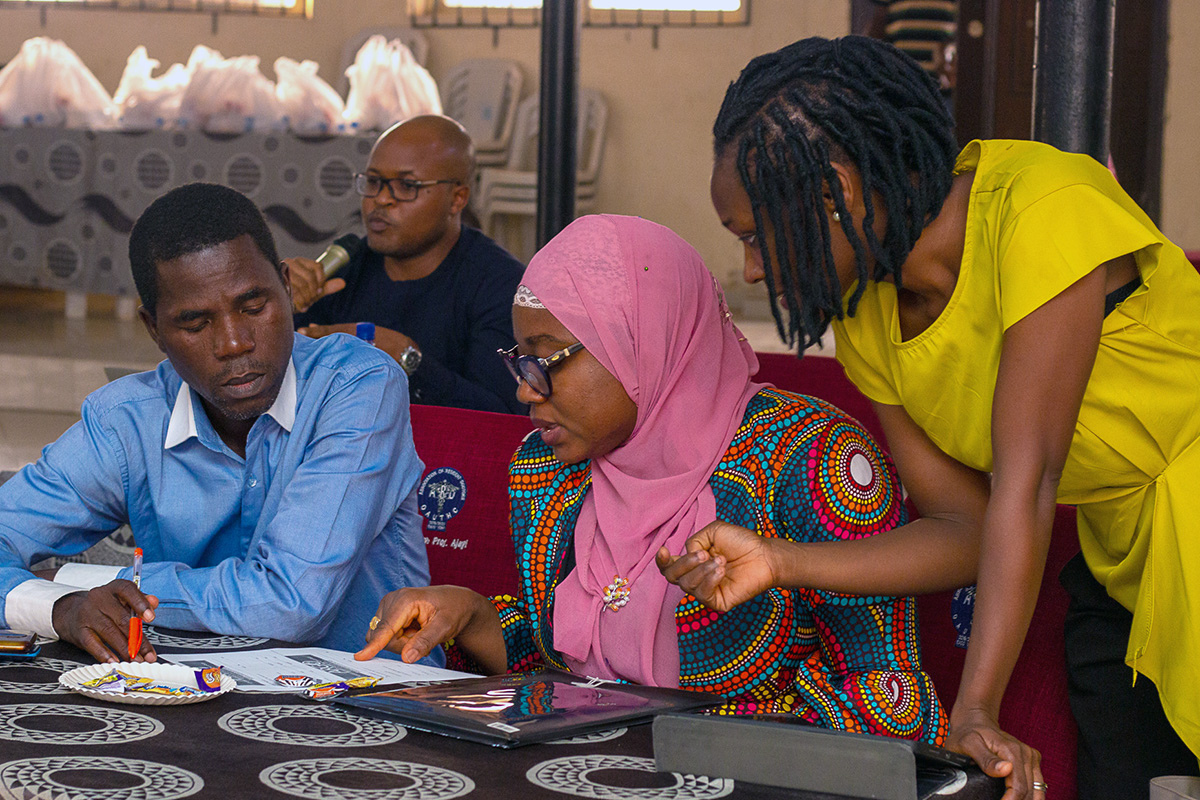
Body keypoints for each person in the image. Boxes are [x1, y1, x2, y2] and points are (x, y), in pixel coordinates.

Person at [700, 34, 1200, 799]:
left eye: (755, 234)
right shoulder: (866, 313)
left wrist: (974, 708)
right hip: (1123, 569)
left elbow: (1027, 482)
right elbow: (964, 529)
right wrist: (780, 561)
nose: (755, 269)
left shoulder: (1042, 205)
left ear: (835, 188)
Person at [356, 214, 947, 742]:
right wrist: (469, 614)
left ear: (641, 341)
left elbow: (893, 697)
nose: (523, 388)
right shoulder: (546, 468)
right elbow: (555, 662)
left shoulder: (813, 460)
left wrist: (696, 747)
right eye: (518, 359)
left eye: (545, 358)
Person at [0, 182, 433, 664]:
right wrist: (56, 608)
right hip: (190, 700)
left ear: (288, 289)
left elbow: (292, 603)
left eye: (254, 307)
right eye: (195, 323)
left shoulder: (357, 387)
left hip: (374, 705)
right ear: (154, 331)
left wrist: (97, 584)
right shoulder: (128, 420)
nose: (233, 343)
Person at [289, 114, 526, 414]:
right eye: (374, 182)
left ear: (457, 199)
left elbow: (498, 418)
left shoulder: (500, 286)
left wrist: (407, 359)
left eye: (406, 186)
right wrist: (279, 306)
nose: (381, 200)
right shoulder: (345, 270)